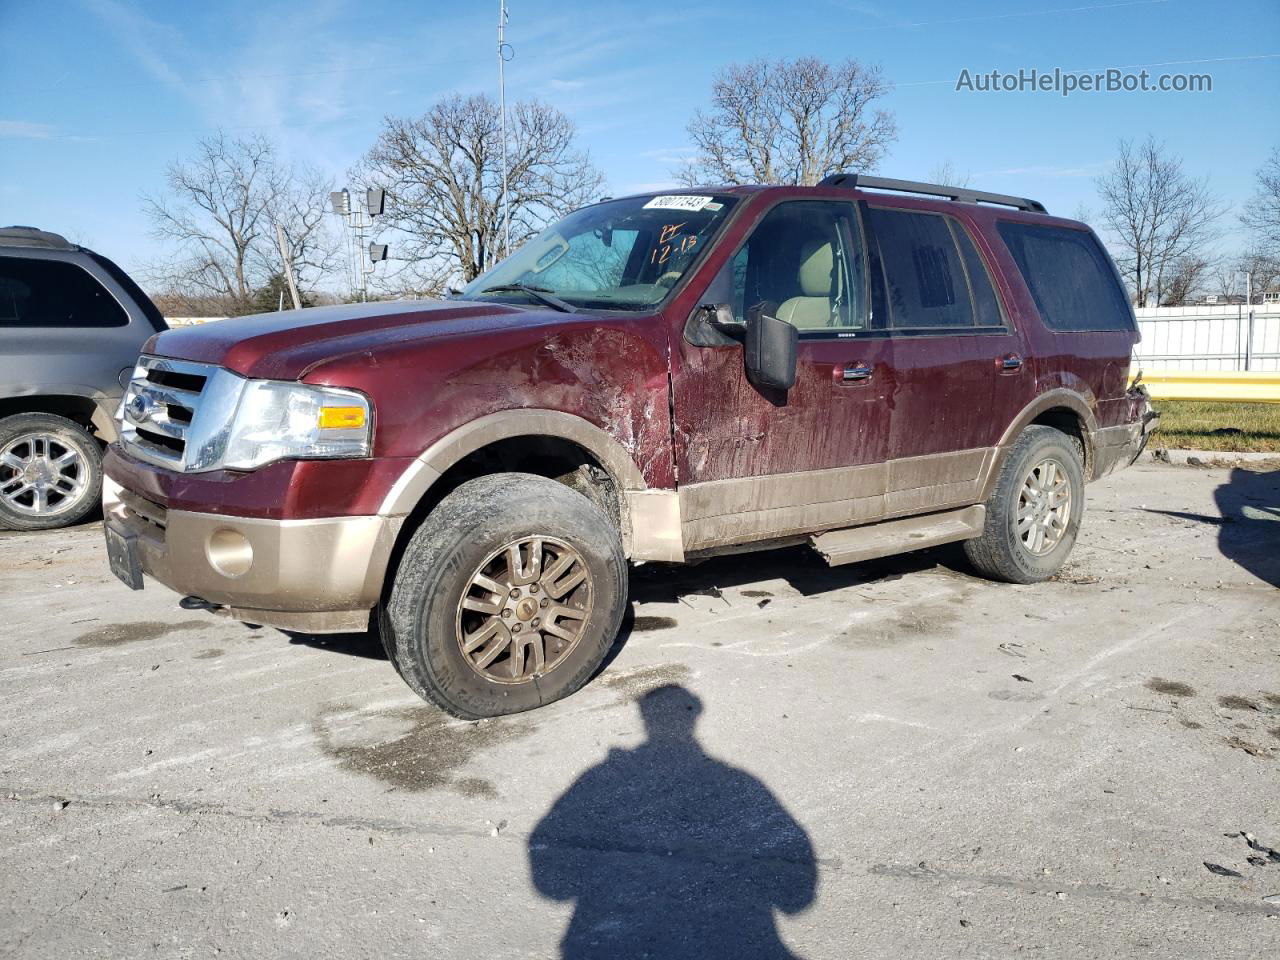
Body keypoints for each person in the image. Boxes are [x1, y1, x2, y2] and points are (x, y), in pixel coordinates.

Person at [529, 684, 817, 959]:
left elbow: (550, 885)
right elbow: (798, 897)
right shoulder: (739, 783)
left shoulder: (599, 778)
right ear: (694, 717)